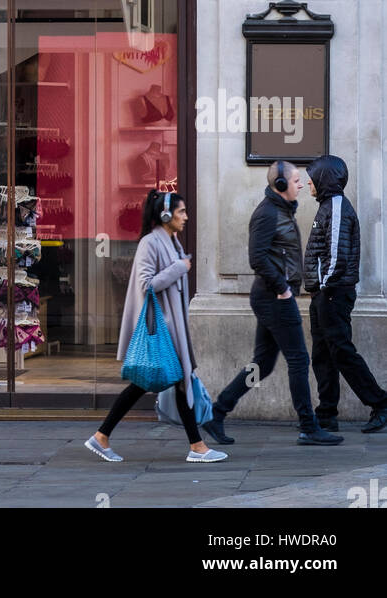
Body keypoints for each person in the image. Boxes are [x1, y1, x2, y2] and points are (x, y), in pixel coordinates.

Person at [204, 161, 343, 447]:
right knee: (299, 360)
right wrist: (282, 289)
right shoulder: (267, 214)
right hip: (274, 297)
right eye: (295, 180)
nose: (301, 184)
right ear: (280, 186)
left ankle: (216, 414)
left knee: (262, 365)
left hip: (273, 295)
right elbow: (257, 257)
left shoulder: (281, 210)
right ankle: (308, 426)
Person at [84, 189, 227, 463]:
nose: (185, 217)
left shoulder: (172, 241)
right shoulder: (150, 243)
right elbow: (146, 284)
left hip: (171, 326)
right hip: (160, 327)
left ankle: (102, 437)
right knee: (174, 381)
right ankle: (196, 447)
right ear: (165, 215)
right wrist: (179, 268)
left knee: (163, 383)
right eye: (181, 212)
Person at [304, 155, 387, 434]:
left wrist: (324, 286)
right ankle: (326, 414)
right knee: (323, 354)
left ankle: (381, 403)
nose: (309, 182)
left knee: (342, 352)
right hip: (323, 293)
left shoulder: (337, 206)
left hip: (333, 293)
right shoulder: (328, 206)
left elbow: (336, 255)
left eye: (313, 177)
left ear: (325, 178)